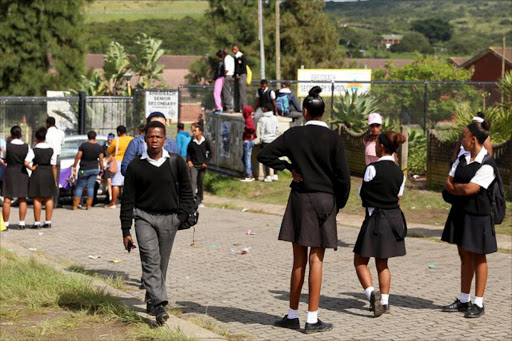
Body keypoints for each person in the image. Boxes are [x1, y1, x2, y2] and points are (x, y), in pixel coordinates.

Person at [257, 86, 351, 334]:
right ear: (324, 112)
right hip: (325, 200)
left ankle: (291, 315)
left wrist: (288, 167)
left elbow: (264, 154)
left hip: (299, 199)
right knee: (316, 259)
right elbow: (343, 177)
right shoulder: (334, 139)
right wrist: (338, 204)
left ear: (306, 111)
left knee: (298, 260)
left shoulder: (294, 135)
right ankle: (312, 319)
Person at [120, 121, 194, 326]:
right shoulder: (136, 166)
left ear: (164, 140)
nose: (154, 140)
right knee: (150, 258)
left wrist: (181, 215)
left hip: (170, 219)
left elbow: (187, 191)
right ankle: (160, 304)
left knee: (161, 262)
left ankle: (151, 298)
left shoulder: (176, 162)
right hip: (144, 218)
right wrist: (125, 229)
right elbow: (127, 200)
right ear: (145, 139)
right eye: (150, 136)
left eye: (158, 137)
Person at [441, 119, 497, 318]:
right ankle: (464, 300)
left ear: (473, 139)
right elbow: (449, 180)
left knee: (478, 258)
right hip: (460, 214)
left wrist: (456, 188)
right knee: (464, 256)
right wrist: (458, 189)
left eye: (463, 137)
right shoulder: (462, 158)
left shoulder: (487, 164)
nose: (461, 140)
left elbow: (470, 189)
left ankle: (479, 303)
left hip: (479, 217)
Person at [353, 130, 407, 318]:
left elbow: (363, 194)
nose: (374, 146)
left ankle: (371, 294)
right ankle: (384, 301)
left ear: (381, 146)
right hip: (393, 220)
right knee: (382, 263)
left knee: (360, 261)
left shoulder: (372, 168)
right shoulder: (400, 173)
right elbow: (398, 197)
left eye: (376, 143)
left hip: (374, 218)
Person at [121, 112, 179, 176]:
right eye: (154, 125)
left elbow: (178, 168)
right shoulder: (136, 143)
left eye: (161, 125)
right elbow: (125, 168)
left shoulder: (172, 144)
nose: (157, 129)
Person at [26, 127, 58, 228]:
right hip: (48, 173)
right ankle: (48, 221)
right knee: (48, 198)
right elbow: (54, 166)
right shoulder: (51, 150)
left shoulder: (33, 150)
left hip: (38, 173)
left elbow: (26, 162)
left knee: (37, 198)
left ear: (36, 138)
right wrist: (55, 179)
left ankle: (37, 222)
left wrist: (31, 168)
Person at [2, 126, 31, 230]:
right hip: (22, 173)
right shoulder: (27, 147)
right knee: (22, 198)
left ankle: (6, 223)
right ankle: (22, 223)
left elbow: (4, 159)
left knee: (7, 199)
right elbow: (28, 160)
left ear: (11, 134)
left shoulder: (7, 146)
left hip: (10, 172)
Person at [71, 131, 104, 210]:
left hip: (84, 169)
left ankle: (75, 206)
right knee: (90, 187)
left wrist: (74, 165)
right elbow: (101, 160)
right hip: (94, 169)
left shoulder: (83, 146)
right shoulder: (99, 147)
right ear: (95, 137)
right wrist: (102, 168)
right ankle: (88, 206)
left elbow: (78, 156)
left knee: (79, 187)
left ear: (88, 137)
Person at [106, 125, 132, 208]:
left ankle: (113, 203)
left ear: (118, 132)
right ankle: (128, 202)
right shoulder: (131, 139)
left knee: (116, 183)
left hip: (118, 161)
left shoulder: (116, 140)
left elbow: (109, 150)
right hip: (130, 161)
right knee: (128, 183)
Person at [186, 124, 212, 207]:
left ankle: (200, 199)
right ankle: (193, 199)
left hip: (202, 166)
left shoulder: (206, 141)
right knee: (193, 181)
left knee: (200, 182)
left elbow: (211, 153)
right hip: (194, 165)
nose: (193, 132)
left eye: (195, 131)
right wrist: (189, 160)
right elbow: (188, 151)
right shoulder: (192, 141)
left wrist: (206, 162)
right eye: (193, 131)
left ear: (200, 132)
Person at [45, 116, 65, 206]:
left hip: (47, 157)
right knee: (56, 180)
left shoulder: (46, 133)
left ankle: (47, 201)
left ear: (47, 124)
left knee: (47, 180)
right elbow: (62, 143)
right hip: (57, 156)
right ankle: (55, 202)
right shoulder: (60, 132)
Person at [258, 102, 280, 182]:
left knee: (266, 159)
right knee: (274, 158)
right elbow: (277, 129)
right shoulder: (275, 118)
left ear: (266, 109)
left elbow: (262, 131)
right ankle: (275, 174)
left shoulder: (263, 119)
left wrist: (261, 140)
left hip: (266, 140)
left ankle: (268, 176)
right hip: (274, 140)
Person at [240, 105, 256, 182]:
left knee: (247, 158)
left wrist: (248, 132)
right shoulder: (248, 119)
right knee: (244, 158)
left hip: (248, 141)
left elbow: (252, 128)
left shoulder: (248, 120)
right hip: (248, 140)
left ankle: (249, 175)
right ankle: (248, 172)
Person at [232, 44, 248, 112]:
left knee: (242, 92)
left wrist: (239, 73)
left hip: (242, 75)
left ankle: (244, 108)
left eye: (235, 49)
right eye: (233, 49)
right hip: (236, 77)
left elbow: (243, 67)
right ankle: (236, 108)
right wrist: (235, 75)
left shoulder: (242, 56)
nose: (234, 51)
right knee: (236, 92)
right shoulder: (235, 58)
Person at [102, 133, 116, 203]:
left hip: (114, 166)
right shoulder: (104, 147)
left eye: (111, 139)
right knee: (109, 182)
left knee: (115, 182)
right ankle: (110, 197)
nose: (110, 140)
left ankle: (113, 197)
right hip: (107, 166)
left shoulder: (116, 146)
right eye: (109, 139)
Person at [222, 48, 235, 113]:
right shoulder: (232, 58)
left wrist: (224, 76)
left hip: (228, 75)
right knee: (231, 91)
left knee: (226, 91)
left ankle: (228, 105)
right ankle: (232, 105)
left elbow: (226, 69)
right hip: (232, 75)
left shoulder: (226, 58)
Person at [213, 50, 225, 114]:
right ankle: (219, 107)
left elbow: (218, 72)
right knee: (219, 93)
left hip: (219, 78)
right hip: (221, 78)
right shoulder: (222, 62)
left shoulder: (220, 63)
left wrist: (214, 78)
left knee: (216, 93)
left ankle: (219, 108)